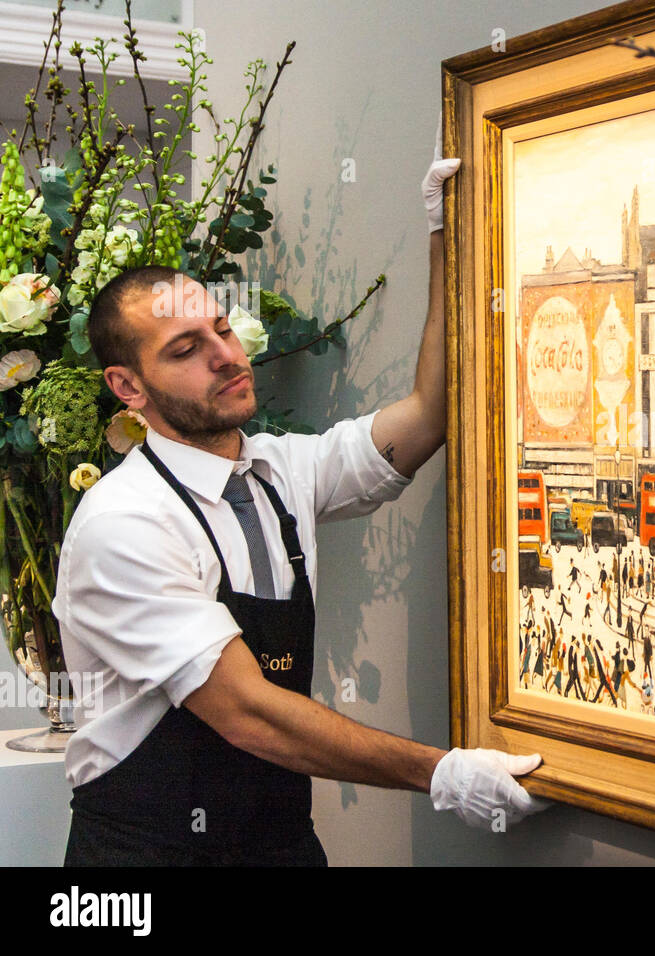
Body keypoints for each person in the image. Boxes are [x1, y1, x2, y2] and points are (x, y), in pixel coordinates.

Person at [54, 144, 548, 866]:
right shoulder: (123, 523)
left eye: (223, 329)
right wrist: (439, 771)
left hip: (276, 841)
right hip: (147, 850)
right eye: (186, 348)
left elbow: (431, 414)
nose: (225, 355)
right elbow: (249, 714)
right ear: (128, 388)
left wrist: (449, 240)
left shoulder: (283, 467)